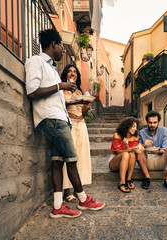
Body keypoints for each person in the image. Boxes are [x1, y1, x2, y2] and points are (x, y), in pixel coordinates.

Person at [25, 29, 104, 219]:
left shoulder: (51, 68)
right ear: (53, 44)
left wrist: (76, 101)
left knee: (57, 162)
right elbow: (32, 92)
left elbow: (55, 98)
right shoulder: (36, 61)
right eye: (61, 46)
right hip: (52, 119)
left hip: (59, 119)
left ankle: (58, 206)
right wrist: (61, 86)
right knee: (72, 159)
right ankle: (83, 199)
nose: (63, 50)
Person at [59, 64, 92, 203]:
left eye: (75, 72)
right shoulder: (62, 90)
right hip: (70, 124)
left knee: (81, 157)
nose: (72, 73)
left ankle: (78, 189)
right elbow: (60, 105)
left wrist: (86, 105)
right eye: (69, 71)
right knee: (69, 157)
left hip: (81, 124)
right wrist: (72, 101)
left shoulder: (79, 92)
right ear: (65, 74)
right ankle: (66, 190)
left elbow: (83, 114)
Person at [137, 111, 167, 192]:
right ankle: (147, 178)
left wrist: (157, 151)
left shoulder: (164, 130)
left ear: (158, 122)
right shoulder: (141, 132)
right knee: (139, 149)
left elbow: (165, 148)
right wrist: (144, 145)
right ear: (147, 122)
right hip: (146, 161)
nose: (152, 125)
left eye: (155, 122)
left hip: (160, 159)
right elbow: (137, 149)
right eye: (150, 122)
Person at [109, 117, 141, 193]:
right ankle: (122, 182)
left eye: (136, 127)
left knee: (132, 154)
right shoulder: (117, 135)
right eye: (133, 126)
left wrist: (129, 147)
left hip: (128, 160)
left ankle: (129, 179)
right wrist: (127, 146)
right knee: (126, 154)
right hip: (115, 162)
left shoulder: (135, 137)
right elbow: (116, 152)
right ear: (127, 126)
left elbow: (132, 151)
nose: (135, 129)